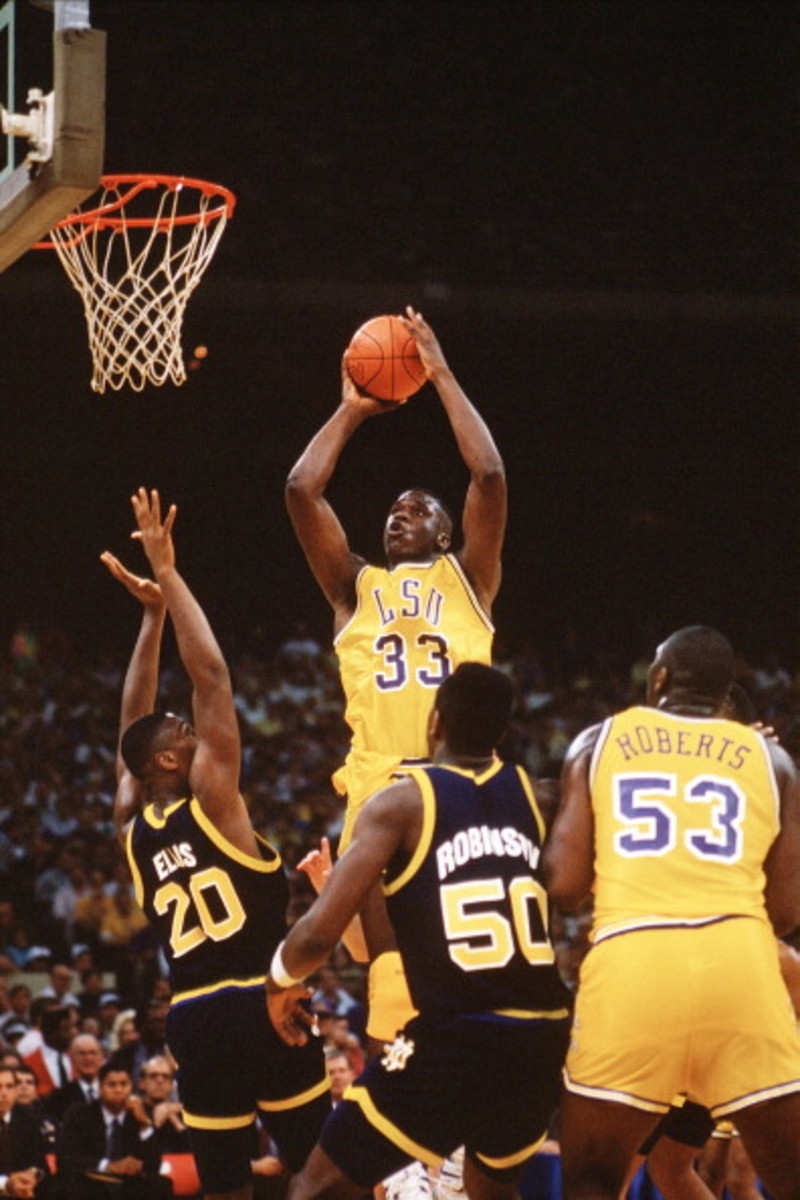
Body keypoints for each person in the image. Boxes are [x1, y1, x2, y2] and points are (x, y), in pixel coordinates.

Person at [266, 663, 571, 1200]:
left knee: (313, 1186)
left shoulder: (403, 802)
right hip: (542, 1036)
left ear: (435, 723)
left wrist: (277, 983)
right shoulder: (540, 797)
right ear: (502, 730)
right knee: (491, 1189)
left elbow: (317, 938)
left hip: (459, 1032)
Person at [285, 306, 506, 1045]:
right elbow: (301, 492)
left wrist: (439, 372)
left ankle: (454, 1119)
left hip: (457, 775)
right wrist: (350, 412)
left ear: (445, 533)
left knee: (464, 955)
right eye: (392, 508)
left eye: (418, 508)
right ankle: (405, 1131)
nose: (399, 512)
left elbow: (489, 473)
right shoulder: (354, 588)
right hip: (378, 777)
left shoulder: (468, 579)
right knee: (383, 963)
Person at [102, 488, 329, 1200]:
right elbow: (213, 678)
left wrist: (151, 620)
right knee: (325, 1179)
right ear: (170, 762)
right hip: (265, 1002)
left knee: (224, 1190)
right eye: (182, 734)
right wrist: (168, 575)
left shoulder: (130, 829)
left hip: (195, 1017)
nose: (192, 732)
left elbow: (130, 731)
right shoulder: (217, 806)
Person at [542, 625, 800, 1200]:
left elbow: (563, 885)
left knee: (593, 1180)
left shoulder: (599, 741)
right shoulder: (774, 760)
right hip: (740, 967)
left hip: (635, 960)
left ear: (658, 680)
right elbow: (784, 911)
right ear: (725, 691)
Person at [55, 1060, 170, 1199]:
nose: (118, 1090)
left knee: (161, 1184)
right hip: (91, 1180)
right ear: (100, 1087)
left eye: (123, 1084)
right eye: (111, 1084)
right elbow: (66, 1157)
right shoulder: (80, 1113)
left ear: (131, 1087)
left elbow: (153, 1167)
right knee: (65, 1185)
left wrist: (144, 1125)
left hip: (128, 1184)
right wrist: (108, 1166)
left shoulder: (140, 1114)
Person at [0, 1064, 52, 1199]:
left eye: (9, 1086)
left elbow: (40, 1162)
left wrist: (33, 1173)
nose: (4, 1093)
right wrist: (5, 1183)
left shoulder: (27, 1118)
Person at [44, 1032, 104, 1125]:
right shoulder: (59, 1097)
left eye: (93, 1053)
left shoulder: (112, 1090)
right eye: (82, 1054)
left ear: (101, 1057)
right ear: (72, 1058)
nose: (88, 1058)